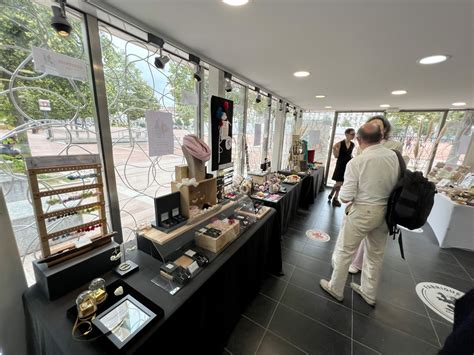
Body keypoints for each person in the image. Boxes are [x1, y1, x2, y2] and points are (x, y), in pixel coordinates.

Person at [320, 123, 400, 306]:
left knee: (345, 250)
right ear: (381, 137)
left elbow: (346, 196)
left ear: (359, 139)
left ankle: (336, 287)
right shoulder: (393, 157)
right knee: (375, 254)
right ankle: (369, 293)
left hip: (363, 211)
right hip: (386, 212)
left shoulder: (357, 162)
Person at [348, 116, 403, 274]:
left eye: (378, 126)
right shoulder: (362, 148)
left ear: (384, 130)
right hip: (362, 197)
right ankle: (356, 268)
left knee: (374, 248)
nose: (374, 128)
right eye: (370, 125)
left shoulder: (394, 147)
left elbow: (397, 173)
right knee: (356, 237)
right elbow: (359, 171)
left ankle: (357, 266)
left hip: (383, 199)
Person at [328, 128, 355, 207]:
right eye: (352, 134)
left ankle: (332, 195)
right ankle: (334, 198)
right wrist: (335, 152)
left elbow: (350, 154)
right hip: (340, 166)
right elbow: (335, 152)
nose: (353, 136)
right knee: (339, 183)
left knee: (340, 183)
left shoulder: (353, 144)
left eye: (354, 134)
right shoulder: (340, 143)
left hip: (347, 166)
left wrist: (353, 160)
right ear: (346, 134)